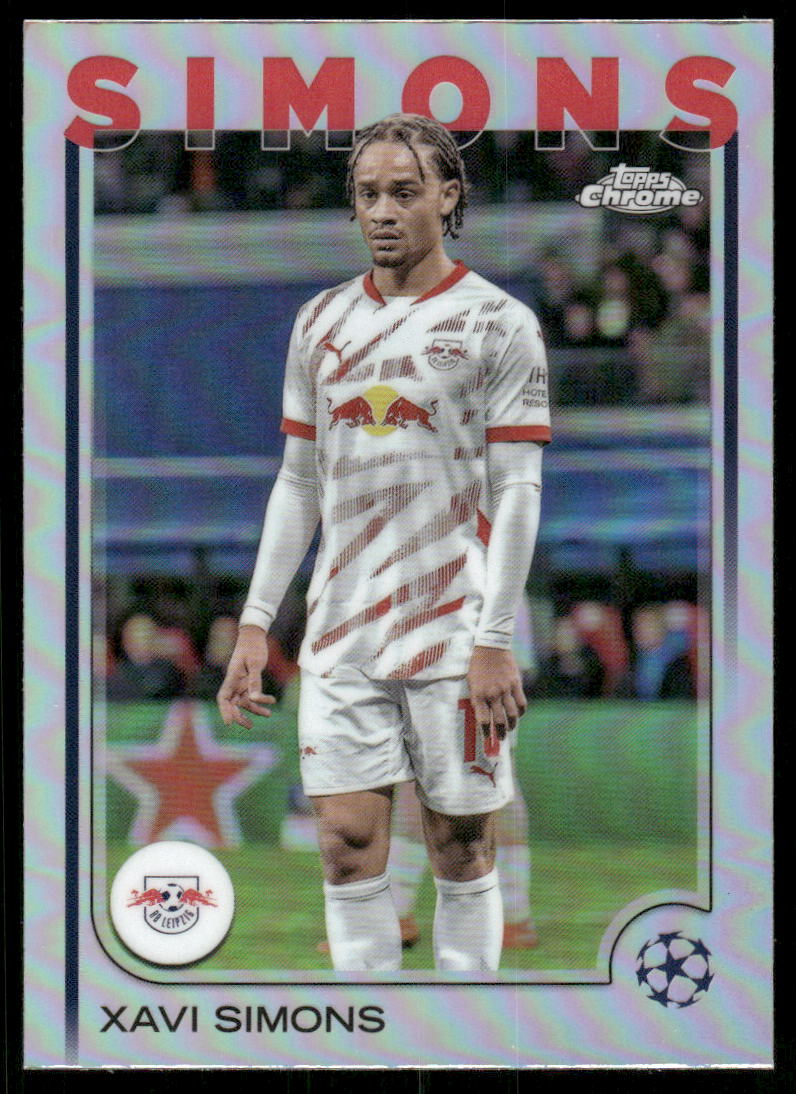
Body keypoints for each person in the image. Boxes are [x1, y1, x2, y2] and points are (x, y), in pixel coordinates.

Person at [218, 114, 550, 973]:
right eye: (368, 194)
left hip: (454, 625)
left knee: (460, 846)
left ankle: (464, 1019)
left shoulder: (499, 322)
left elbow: (519, 488)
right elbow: (298, 482)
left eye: (404, 192)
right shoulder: (319, 322)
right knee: (345, 844)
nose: (383, 211)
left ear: (449, 195)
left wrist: (494, 640)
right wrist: (256, 622)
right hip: (341, 628)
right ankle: (370, 1025)